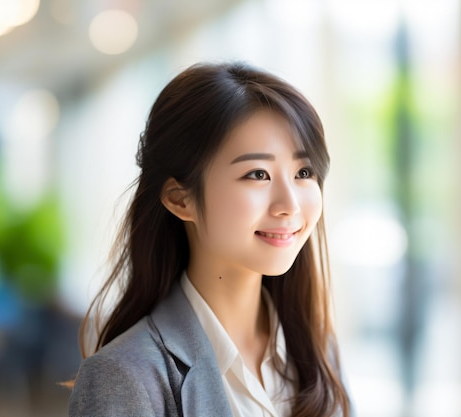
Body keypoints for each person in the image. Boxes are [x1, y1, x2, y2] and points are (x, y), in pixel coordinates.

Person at [69, 62, 351, 417]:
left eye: (303, 173)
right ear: (179, 198)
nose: (290, 205)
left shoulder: (317, 352)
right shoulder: (125, 376)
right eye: (258, 174)